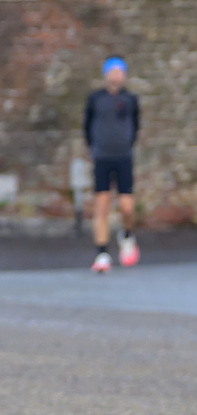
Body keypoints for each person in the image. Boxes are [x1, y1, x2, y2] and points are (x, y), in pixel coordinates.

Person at [84, 57, 141, 273]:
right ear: (106, 74)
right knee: (102, 205)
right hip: (102, 158)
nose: (116, 75)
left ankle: (127, 236)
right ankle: (102, 253)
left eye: (120, 71)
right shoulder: (95, 99)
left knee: (127, 207)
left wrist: (126, 144)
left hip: (123, 158)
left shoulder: (130, 99)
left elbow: (135, 126)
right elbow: (87, 127)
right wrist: (95, 149)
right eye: (112, 71)